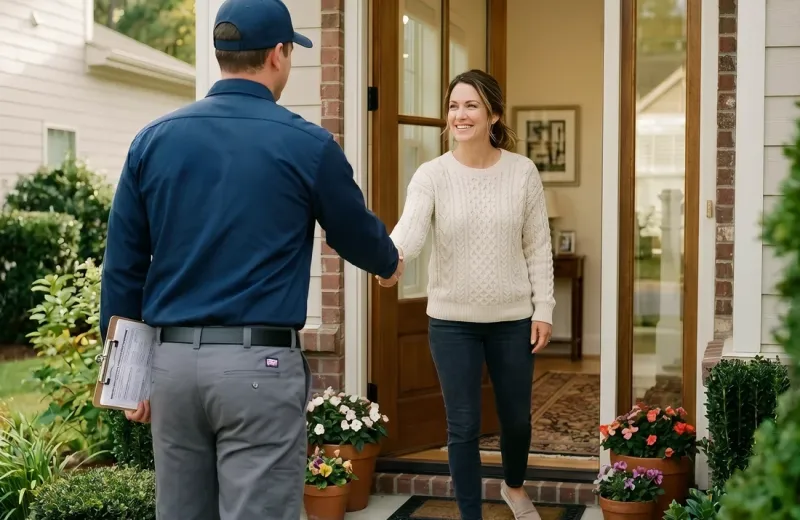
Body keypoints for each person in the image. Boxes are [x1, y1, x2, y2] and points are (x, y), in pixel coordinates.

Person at [99, 0, 403, 518]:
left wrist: (127, 380)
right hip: (256, 371)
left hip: (171, 369)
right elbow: (356, 234)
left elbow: (123, 266)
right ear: (280, 55)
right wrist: (388, 263)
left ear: (221, 55)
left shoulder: (153, 141)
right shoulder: (307, 145)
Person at [377, 69, 555, 520]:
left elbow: (537, 245)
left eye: (471, 105)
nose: (460, 114)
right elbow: (409, 233)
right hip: (452, 321)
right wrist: (387, 262)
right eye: (454, 106)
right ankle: (470, 514)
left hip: (513, 318)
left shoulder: (522, 172)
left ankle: (514, 488)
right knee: (463, 426)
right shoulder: (432, 175)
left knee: (516, 419)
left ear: (493, 113)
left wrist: (544, 309)